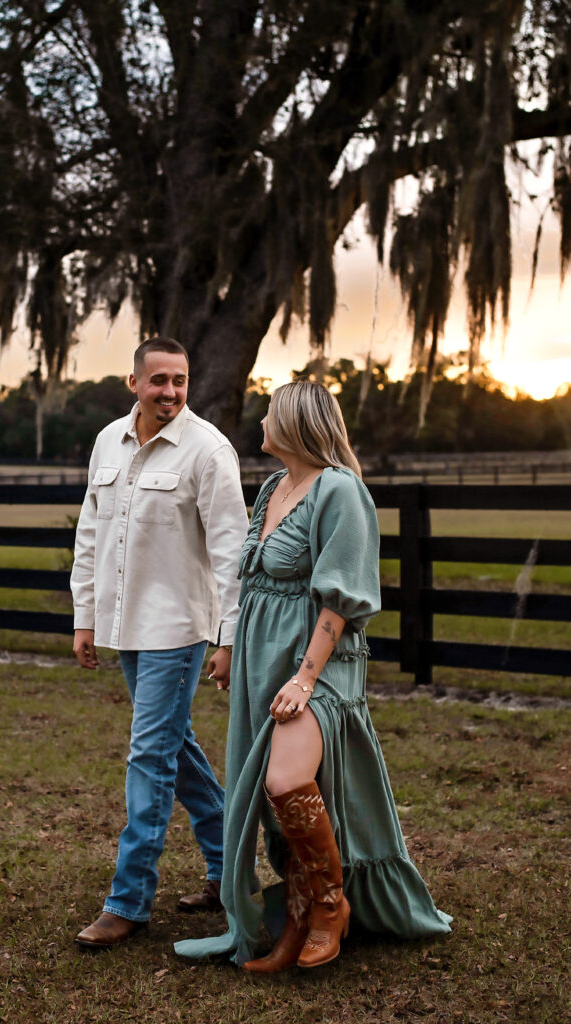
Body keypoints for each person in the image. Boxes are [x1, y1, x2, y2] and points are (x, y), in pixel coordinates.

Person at [175, 380, 451, 970]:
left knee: (285, 780)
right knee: (276, 795)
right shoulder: (274, 486)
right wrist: (232, 650)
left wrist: (303, 679)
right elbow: (252, 582)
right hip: (261, 658)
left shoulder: (340, 491)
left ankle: (331, 906)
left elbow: (342, 600)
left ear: (297, 422)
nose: (261, 423)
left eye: (270, 413)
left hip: (318, 664)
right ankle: (295, 921)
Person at [70, 336, 248, 950]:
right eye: (159, 380)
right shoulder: (107, 442)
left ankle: (128, 902)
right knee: (178, 752)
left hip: (179, 629)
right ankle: (232, 872)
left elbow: (232, 550)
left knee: (148, 757)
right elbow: (91, 534)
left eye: (179, 380)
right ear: (134, 383)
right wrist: (85, 617)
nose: (169, 392)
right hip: (126, 628)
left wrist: (227, 636)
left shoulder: (208, 449)